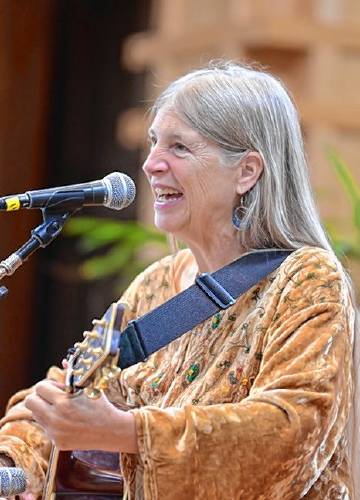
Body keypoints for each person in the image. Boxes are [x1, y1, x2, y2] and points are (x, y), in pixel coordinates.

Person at [0, 60, 358, 499]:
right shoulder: (156, 284)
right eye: (153, 143)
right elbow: (66, 390)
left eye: (179, 148)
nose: (151, 164)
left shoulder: (307, 279)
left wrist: (129, 433)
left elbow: (292, 430)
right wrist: (12, 462)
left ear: (247, 171)